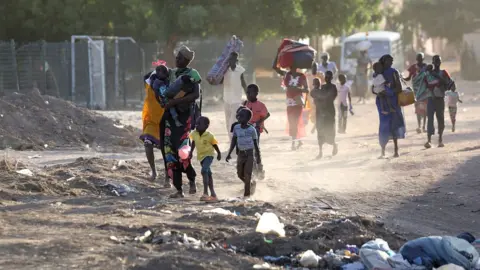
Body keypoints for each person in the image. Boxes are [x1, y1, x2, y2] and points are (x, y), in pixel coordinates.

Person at [162, 46, 201, 198]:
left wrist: (175, 101)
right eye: (176, 57)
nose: (176, 60)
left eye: (179, 58)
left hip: (186, 117)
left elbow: (195, 95)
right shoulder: (171, 73)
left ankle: (192, 181)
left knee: (184, 152)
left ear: (186, 60)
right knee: (169, 151)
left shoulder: (193, 74)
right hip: (170, 117)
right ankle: (178, 189)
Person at [374, 54, 406, 158]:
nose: (391, 62)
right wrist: (380, 92)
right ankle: (382, 151)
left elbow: (399, 88)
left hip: (393, 101)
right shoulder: (378, 73)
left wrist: (389, 92)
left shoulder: (394, 72)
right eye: (389, 61)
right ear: (384, 61)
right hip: (382, 102)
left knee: (394, 125)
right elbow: (373, 89)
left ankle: (396, 150)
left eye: (391, 61)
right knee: (384, 125)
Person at [226, 108, 262, 199]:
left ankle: (247, 195)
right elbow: (234, 140)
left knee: (247, 174)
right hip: (241, 154)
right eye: (238, 116)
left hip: (250, 154)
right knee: (239, 174)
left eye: (241, 116)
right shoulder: (236, 128)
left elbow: (256, 144)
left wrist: (258, 158)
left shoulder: (252, 130)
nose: (238, 117)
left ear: (247, 118)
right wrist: (229, 153)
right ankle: (250, 184)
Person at [140, 67, 166, 182]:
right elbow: (145, 77)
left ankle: (167, 177)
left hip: (165, 121)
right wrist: (154, 72)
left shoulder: (167, 88)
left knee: (166, 150)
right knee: (147, 143)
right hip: (151, 122)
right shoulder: (149, 85)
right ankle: (154, 172)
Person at [424, 55, 455, 149]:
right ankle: (428, 140)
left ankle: (440, 139)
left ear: (441, 62)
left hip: (440, 98)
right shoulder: (428, 73)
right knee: (430, 119)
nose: (437, 62)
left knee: (440, 119)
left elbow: (450, 84)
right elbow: (424, 83)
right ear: (433, 62)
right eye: (436, 61)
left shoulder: (443, 73)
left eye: (439, 61)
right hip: (430, 99)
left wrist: (439, 79)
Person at [189, 116, 221, 202]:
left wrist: (219, 153)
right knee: (208, 174)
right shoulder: (194, 134)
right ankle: (213, 194)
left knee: (204, 171)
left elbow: (214, 145)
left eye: (199, 124)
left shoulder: (209, 136)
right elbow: (194, 142)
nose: (197, 125)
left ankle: (205, 193)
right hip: (201, 156)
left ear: (206, 126)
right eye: (196, 123)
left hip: (209, 155)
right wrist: (191, 152)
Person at [311, 73, 338, 159]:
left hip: (329, 112)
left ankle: (334, 145)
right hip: (320, 113)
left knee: (329, 131)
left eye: (329, 77)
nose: (327, 78)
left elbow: (330, 97)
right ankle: (320, 152)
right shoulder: (321, 88)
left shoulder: (333, 87)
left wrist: (322, 98)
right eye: (326, 77)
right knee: (320, 132)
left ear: (331, 78)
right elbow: (315, 96)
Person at [282, 66, 309, 150]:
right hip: (290, 101)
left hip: (298, 100)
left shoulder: (302, 76)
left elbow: (306, 89)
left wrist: (298, 89)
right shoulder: (287, 75)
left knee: (295, 121)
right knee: (291, 121)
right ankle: (298, 141)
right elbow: (286, 86)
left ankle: (293, 142)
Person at [222, 52, 247, 140]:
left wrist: (248, 95)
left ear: (236, 60)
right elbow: (219, 81)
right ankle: (230, 139)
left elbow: (243, 83)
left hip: (236, 99)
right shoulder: (224, 70)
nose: (232, 61)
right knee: (228, 120)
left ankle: (233, 138)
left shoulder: (240, 70)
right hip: (226, 98)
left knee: (234, 120)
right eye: (230, 59)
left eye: (234, 59)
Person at [404, 53, 428, 133]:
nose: (420, 59)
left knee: (425, 109)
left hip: (424, 90)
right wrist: (401, 78)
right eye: (418, 58)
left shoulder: (426, 67)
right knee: (418, 109)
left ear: (423, 59)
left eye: (421, 58)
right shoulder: (413, 67)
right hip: (417, 92)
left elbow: (429, 77)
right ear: (417, 59)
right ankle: (419, 126)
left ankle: (424, 126)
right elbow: (408, 78)